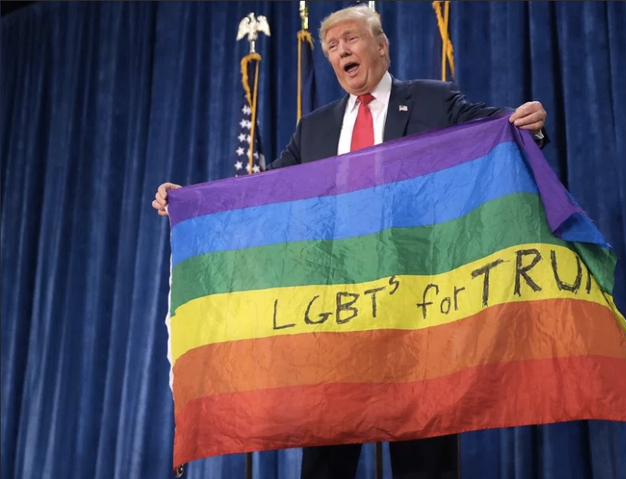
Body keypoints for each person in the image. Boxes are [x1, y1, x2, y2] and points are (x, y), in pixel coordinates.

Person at [152, 5, 548, 478]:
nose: (341, 51)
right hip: (337, 305)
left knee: (425, 453)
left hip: (415, 304)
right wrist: (192, 201)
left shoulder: (430, 100)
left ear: (381, 46)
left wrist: (528, 123)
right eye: (332, 47)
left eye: (351, 40)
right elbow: (263, 192)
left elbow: (494, 128)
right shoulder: (314, 128)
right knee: (327, 457)